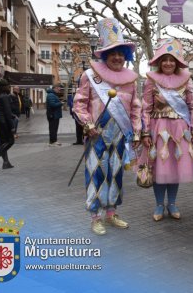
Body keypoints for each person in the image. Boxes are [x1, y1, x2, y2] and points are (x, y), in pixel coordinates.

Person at [73, 18, 142, 236]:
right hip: (97, 135)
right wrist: (87, 123)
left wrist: (137, 132)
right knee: (96, 173)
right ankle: (95, 217)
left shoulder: (130, 80)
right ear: (104, 54)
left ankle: (111, 213)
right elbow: (79, 103)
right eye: (113, 52)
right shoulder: (89, 76)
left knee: (116, 174)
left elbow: (136, 108)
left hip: (120, 136)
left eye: (121, 53)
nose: (118, 57)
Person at [139, 38, 193, 221]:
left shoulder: (187, 80)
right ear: (159, 61)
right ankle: (159, 205)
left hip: (180, 130)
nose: (168, 63)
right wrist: (145, 132)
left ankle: (172, 203)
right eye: (164, 59)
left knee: (175, 167)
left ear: (177, 62)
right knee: (159, 167)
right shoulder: (151, 80)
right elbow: (146, 108)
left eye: (172, 59)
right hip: (158, 129)